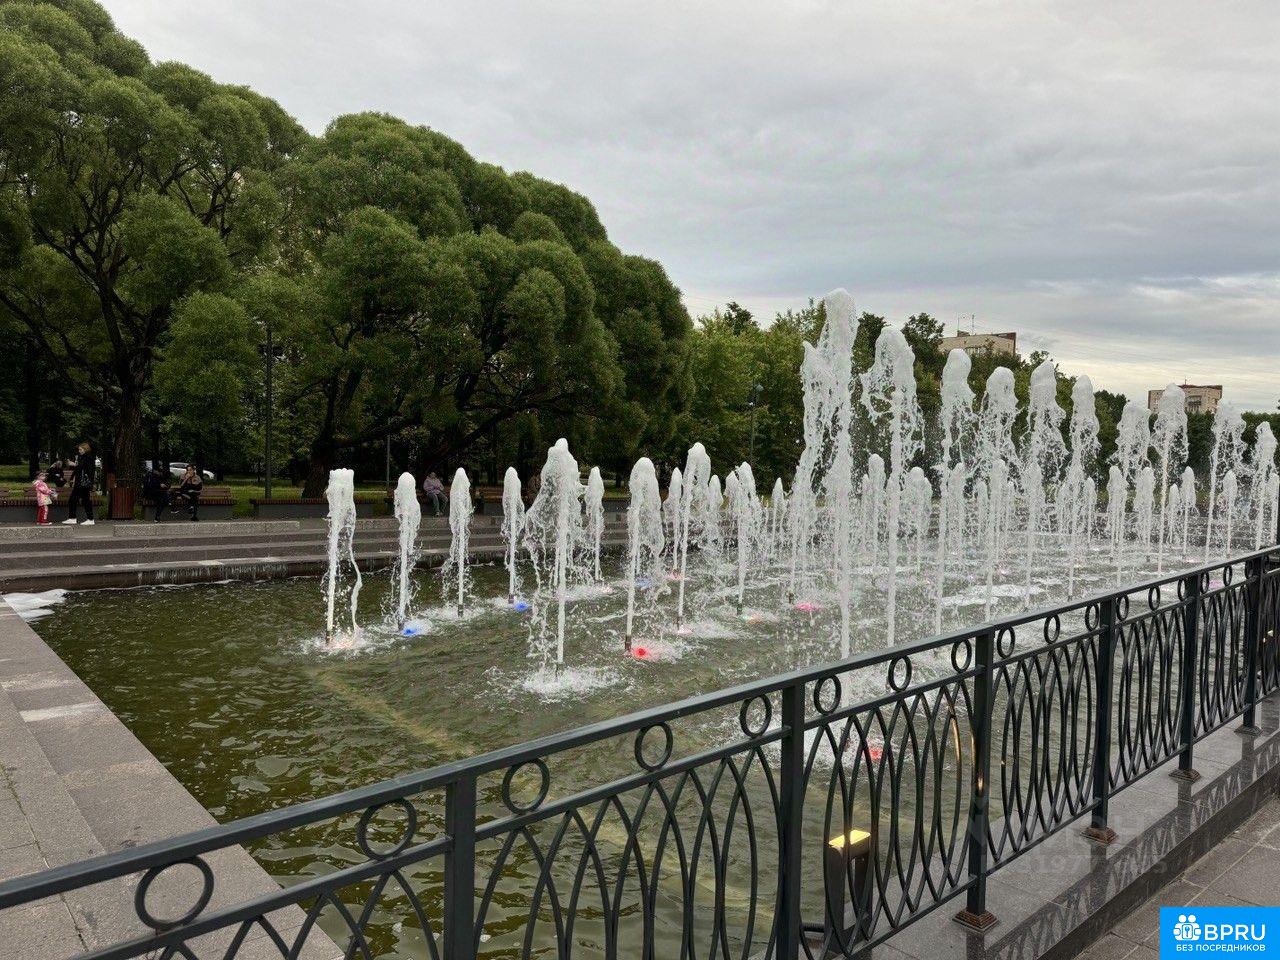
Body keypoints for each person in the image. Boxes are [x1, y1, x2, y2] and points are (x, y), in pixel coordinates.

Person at [63, 442, 95, 525]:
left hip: (82, 483)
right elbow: (78, 470)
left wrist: (74, 464)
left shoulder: (88, 457)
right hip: (82, 483)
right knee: (85, 500)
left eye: (81, 449)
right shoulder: (83, 457)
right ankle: (89, 518)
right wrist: (71, 479)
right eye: (79, 449)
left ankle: (73, 518)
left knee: (73, 500)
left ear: (85, 449)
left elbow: (85, 469)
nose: (79, 451)